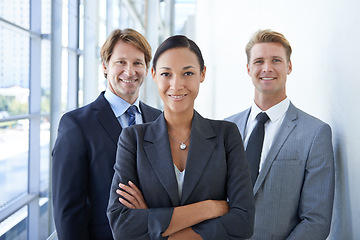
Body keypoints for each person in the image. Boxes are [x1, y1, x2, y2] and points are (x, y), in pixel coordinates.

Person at [107, 35, 255, 240]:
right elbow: (121, 225)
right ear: (154, 75)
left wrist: (154, 223)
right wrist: (207, 209)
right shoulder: (133, 139)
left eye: (187, 73)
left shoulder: (226, 135)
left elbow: (243, 222)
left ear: (202, 74)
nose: (176, 85)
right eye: (166, 74)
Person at [52, 28, 162, 240]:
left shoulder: (159, 120)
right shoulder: (76, 125)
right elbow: (68, 211)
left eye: (138, 63)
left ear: (147, 69)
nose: (130, 71)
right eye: (121, 62)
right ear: (105, 66)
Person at [225, 29, 335, 240]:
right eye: (259, 61)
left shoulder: (315, 133)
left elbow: (317, 221)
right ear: (248, 69)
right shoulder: (227, 127)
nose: (267, 68)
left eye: (276, 60)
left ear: (289, 67)